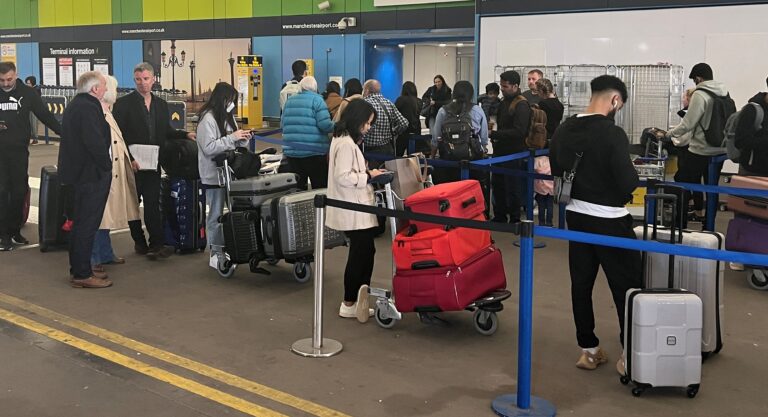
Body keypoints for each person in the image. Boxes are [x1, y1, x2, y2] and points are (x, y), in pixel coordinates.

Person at [550, 75, 642, 374]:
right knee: (626, 287)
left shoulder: (564, 129)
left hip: (575, 216)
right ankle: (630, 354)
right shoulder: (612, 134)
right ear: (615, 100)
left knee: (581, 283)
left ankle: (588, 350)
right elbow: (627, 181)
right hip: (611, 221)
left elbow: (556, 168)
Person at [112, 62, 196, 259]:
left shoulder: (160, 104)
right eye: (138, 80)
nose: (142, 83)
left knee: (152, 204)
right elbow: (118, 135)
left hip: (152, 162)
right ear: (134, 81)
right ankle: (139, 242)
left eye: (146, 79)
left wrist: (184, 134)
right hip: (131, 163)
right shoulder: (123, 105)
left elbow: (165, 131)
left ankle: (156, 244)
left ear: (154, 79)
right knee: (132, 205)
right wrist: (130, 158)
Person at [326, 99, 383, 323]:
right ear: (358, 119)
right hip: (353, 208)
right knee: (361, 254)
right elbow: (343, 177)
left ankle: (356, 300)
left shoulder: (343, 140)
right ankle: (350, 301)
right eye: (367, 123)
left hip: (354, 207)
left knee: (364, 252)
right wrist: (368, 176)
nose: (368, 128)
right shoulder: (346, 144)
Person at [58, 71, 113, 288]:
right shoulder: (89, 107)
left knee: (81, 224)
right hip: (90, 176)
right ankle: (82, 274)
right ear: (94, 89)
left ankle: (81, 270)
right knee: (86, 225)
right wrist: (106, 166)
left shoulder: (77, 104)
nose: (106, 89)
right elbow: (95, 142)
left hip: (79, 175)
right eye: (103, 85)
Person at [0, 62, 62, 251]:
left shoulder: (27, 94)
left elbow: (45, 115)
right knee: (2, 192)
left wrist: (65, 133)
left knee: (19, 191)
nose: (5, 83)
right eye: (1, 80)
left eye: (9, 79)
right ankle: (3, 236)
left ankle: (14, 230)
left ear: (16, 74)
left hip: (19, 150)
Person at [665, 63, 729, 229]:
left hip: (701, 149)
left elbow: (688, 124)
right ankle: (709, 227)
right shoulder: (724, 92)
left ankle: (680, 225)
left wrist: (668, 134)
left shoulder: (700, 94)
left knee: (682, 181)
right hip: (721, 149)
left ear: (698, 78)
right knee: (712, 189)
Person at [196, 83, 252, 265]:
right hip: (214, 175)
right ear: (223, 99)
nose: (232, 104)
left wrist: (243, 139)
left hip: (231, 173)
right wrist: (232, 138)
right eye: (230, 100)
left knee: (236, 212)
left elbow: (233, 143)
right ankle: (215, 253)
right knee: (215, 215)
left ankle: (235, 248)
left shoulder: (228, 118)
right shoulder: (208, 119)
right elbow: (208, 148)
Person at [91, 75, 141, 273]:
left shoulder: (107, 111)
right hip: (104, 172)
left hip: (113, 172)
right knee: (98, 217)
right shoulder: (98, 113)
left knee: (106, 216)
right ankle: (94, 257)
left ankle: (105, 252)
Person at [489, 70, 531, 224]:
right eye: (501, 86)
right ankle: (500, 215)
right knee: (498, 184)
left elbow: (520, 131)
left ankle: (514, 217)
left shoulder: (521, 105)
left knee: (513, 186)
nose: (502, 89)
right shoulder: (503, 102)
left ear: (515, 86)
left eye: (505, 86)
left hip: (514, 152)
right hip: (500, 150)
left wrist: (495, 135)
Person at [280, 76, 334, 190]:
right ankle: (319, 208)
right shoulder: (318, 100)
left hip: (292, 152)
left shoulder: (290, 101)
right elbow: (325, 126)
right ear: (315, 87)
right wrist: (338, 126)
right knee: (319, 187)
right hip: (314, 152)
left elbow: (282, 124)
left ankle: (298, 207)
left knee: (297, 189)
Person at [431, 80, 489, 185]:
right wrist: (483, 149)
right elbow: (484, 136)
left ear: (454, 93)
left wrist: (432, 156)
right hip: (472, 159)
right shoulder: (477, 110)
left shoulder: (443, 110)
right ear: (471, 94)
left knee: (450, 189)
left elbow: (436, 136)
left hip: (448, 159)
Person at [362, 79, 409, 164]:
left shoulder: (364, 103)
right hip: (388, 148)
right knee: (389, 175)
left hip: (370, 151)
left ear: (367, 90)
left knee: (374, 176)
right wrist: (393, 132)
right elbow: (404, 123)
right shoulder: (389, 103)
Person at [394, 81, 425, 156]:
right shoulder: (419, 101)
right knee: (413, 157)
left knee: (398, 155)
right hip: (416, 130)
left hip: (403, 131)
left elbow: (394, 113)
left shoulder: (400, 100)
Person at [24, 76, 41, 145]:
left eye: (28, 83)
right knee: (29, 124)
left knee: (34, 124)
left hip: (34, 109)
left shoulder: (36, 89)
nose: (27, 85)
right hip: (28, 109)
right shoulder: (28, 89)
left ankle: (35, 138)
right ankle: (30, 137)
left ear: (32, 83)